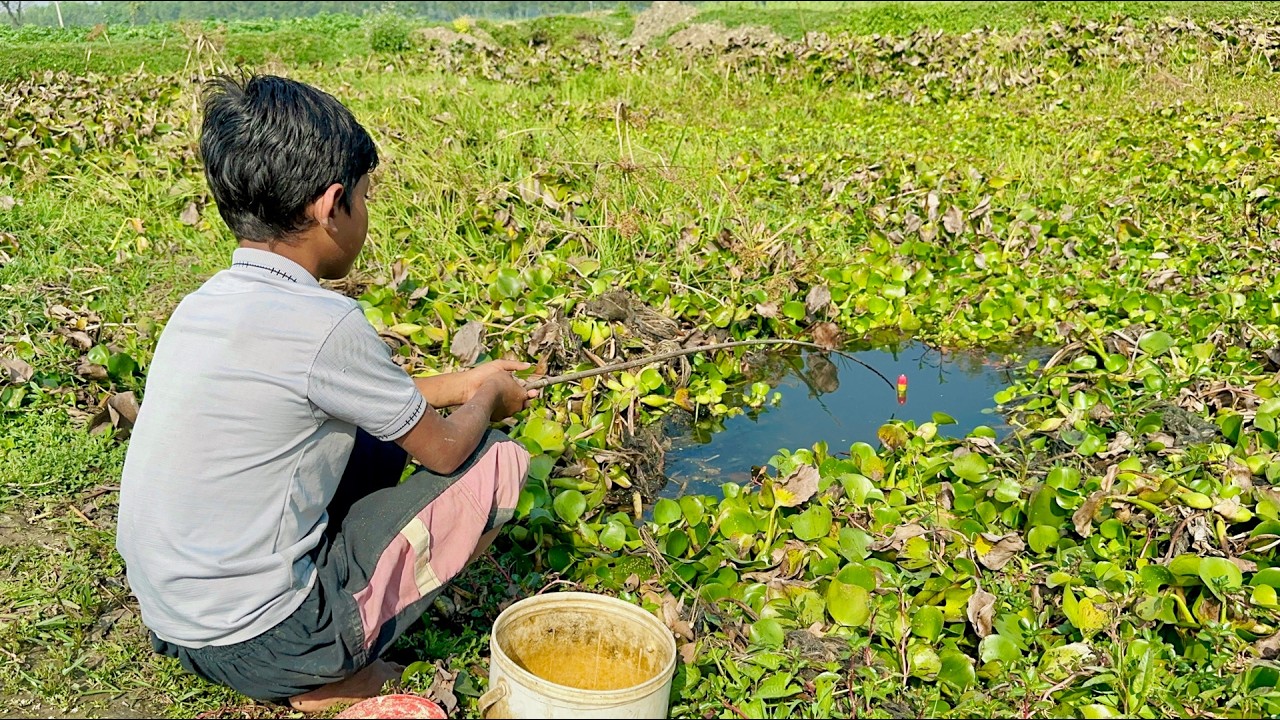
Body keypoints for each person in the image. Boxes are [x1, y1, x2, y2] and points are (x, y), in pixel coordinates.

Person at [115, 74, 536, 712]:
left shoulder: (203, 305)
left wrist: (464, 381)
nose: (366, 214)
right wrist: (487, 402)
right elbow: (447, 449)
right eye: (364, 198)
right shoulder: (326, 324)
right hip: (270, 641)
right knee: (496, 461)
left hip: (174, 621)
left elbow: (339, 398)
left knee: (376, 430)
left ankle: (304, 642)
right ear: (331, 204)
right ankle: (329, 671)